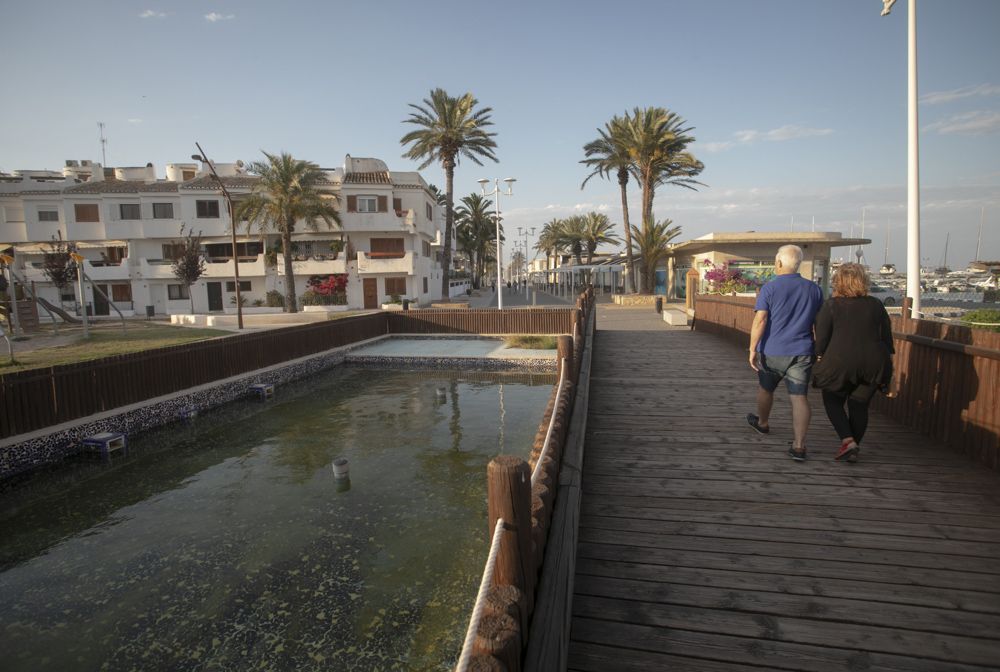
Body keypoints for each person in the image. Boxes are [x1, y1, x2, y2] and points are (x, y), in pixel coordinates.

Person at [747, 245, 824, 461]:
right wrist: (820, 348)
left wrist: (752, 348)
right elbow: (820, 322)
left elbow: (760, 319)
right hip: (802, 351)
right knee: (799, 397)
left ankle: (762, 423)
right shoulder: (814, 289)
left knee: (766, 388)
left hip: (772, 351)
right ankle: (799, 445)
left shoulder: (769, 288)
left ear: (779, 263)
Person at [812, 263, 894, 463]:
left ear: (837, 282)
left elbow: (821, 339)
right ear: (863, 281)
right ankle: (853, 446)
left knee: (832, 401)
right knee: (859, 406)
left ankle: (848, 441)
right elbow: (886, 339)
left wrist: (819, 356)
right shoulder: (876, 305)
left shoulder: (831, 305)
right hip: (874, 363)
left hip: (840, 362)